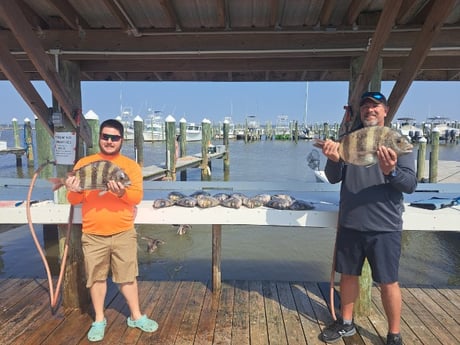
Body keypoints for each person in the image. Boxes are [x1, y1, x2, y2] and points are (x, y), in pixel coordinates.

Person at [318, 92, 417, 345]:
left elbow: (410, 184)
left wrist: (391, 172)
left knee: (388, 282)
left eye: (375, 106)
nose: (369, 110)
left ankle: (394, 334)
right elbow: (333, 176)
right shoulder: (349, 140)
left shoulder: (396, 141)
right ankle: (346, 322)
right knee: (348, 275)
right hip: (350, 222)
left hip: (385, 225)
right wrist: (331, 158)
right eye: (365, 107)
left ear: (386, 110)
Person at [65, 119, 158, 342]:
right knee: (96, 278)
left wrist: (119, 193)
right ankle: (99, 319)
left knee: (127, 277)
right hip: (93, 232)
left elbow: (136, 196)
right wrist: (72, 188)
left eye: (114, 137)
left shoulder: (131, 166)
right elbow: (73, 198)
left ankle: (136, 316)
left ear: (121, 140)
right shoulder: (85, 162)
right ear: (99, 138)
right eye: (105, 136)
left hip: (123, 231)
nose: (109, 141)